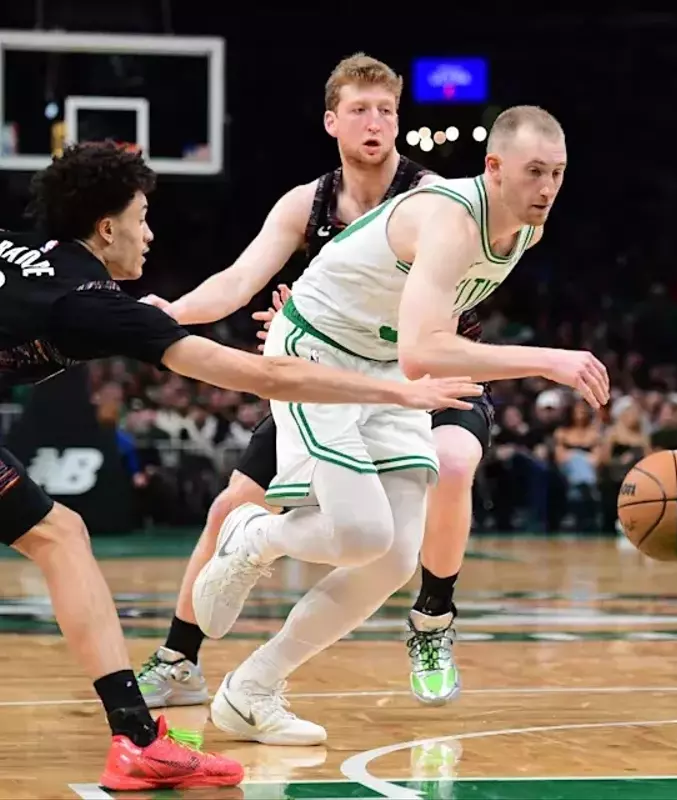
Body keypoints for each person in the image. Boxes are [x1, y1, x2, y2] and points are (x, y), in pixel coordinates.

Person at [0, 140, 478, 789]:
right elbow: (258, 372)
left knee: (60, 535)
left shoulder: (20, 255)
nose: (150, 231)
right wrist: (396, 389)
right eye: (142, 216)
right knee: (61, 538)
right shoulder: (85, 304)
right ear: (106, 226)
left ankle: (138, 737)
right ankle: (138, 740)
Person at [192, 104, 610, 745]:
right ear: (493, 168)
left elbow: (412, 346)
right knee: (360, 534)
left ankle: (250, 691)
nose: (547, 188)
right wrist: (549, 359)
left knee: (391, 561)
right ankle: (255, 537)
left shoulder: (526, 230)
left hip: (385, 369)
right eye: (533, 172)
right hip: (315, 352)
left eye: (557, 173)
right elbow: (425, 349)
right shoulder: (451, 217)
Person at [137, 53, 495, 711]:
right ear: (332, 121)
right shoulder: (307, 202)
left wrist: (307, 310)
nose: (375, 122)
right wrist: (174, 312)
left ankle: (432, 619)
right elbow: (239, 282)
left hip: (428, 372)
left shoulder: (435, 199)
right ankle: (178, 660)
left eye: (386, 110)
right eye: (360, 109)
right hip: (330, 373)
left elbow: (432, 317)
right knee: (229, 506)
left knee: (450, 462)